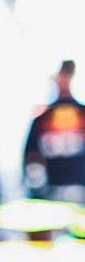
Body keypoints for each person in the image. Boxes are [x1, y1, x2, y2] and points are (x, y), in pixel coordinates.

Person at [23, 60, 85, 203]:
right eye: (62, 74)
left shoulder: (82, 113)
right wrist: (37, 189)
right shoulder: (42, 117)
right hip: (52, 193)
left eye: (67, 74)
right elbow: (31, 155)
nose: (64, 79)